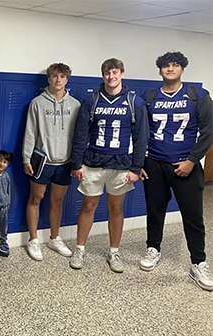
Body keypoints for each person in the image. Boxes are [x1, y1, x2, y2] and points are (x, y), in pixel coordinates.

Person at [139, 51, 213, 291]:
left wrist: (192, 160)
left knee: (193, 216)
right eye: (165, 66)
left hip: (185, 166)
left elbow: (208, 131)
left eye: (175, 65)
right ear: (159, 70)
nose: (170, 69)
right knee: (155, 210)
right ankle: (153, 249)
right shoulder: (149, 97)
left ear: (182, 69)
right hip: (155, 164)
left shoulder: (197, 96)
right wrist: (140, 162)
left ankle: (198, 263)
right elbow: (139, 131)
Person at [69, 58, 148, 273]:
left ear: (122, 73)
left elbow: (141, 138)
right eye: (107, 73)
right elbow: (80, 134)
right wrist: (76, 162)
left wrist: (135, 168)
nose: (111, 77)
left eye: (114, 72)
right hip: (93, 162)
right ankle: (80, 248)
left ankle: (114, 251)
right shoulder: (91, 100)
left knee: (116, 208)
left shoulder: (135, 102)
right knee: (89, 206)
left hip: (121, 165)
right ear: (102, 75)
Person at [23, 63, 81, 261]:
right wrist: (26, 158)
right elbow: (30, 132)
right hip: (42, 160)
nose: (58, 80)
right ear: (49, 79)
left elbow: (78, 135)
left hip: (64, 162)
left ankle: (54, 238)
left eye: (62, 76)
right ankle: (33, 240)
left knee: (57, 201)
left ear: (67, 79)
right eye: (55, 76)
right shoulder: (37, 103)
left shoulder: (75, 104)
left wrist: (77, 162)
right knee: (35, 198)